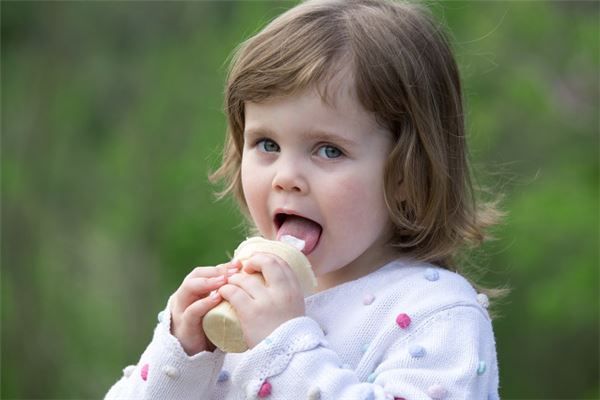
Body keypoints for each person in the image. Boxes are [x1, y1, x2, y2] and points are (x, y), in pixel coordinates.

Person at [105, 0, 505, 398]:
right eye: (266, 143)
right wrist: (179, 355)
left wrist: (283, 345)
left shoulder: (438, 314)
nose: (286, 177)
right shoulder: (235, 306)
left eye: (328, 150)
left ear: (405, 172)